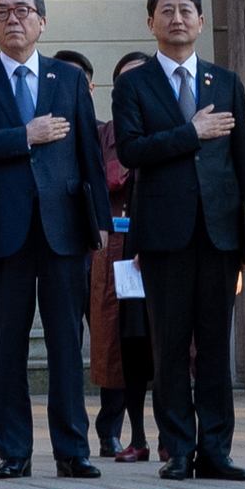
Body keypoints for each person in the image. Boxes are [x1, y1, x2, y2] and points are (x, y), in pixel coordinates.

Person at [0, 0, 108, 479]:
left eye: (23, 10)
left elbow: (89, 157)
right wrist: (23, 136)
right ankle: (13, 448)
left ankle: (71, 449)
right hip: (2, 227)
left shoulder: (68, 79)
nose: (13, 19)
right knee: (5, 344)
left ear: (41, 21)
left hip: (62, 228)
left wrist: (99, 221)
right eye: (2, 12)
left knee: (66, 342)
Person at [110, 0, 245, 481]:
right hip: (163, 233)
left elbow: (242, 168)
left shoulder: (225, 81)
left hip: (218, 235)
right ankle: (178, 448)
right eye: (166, 11)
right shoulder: (134, 84)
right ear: (150, 22)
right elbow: (130, 151)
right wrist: (189, 133)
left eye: (186, 11)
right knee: (169, 346)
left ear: (199, 21)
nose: (177, 19)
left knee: (215, 346)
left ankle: (216, 449)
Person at [84, 51, 152, 464]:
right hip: (113, 252)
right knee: (118, 342)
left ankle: (168, 434)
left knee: (163, 343)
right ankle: (121, 432)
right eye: (126, 80)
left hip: (160, 248)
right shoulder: (104, 133)